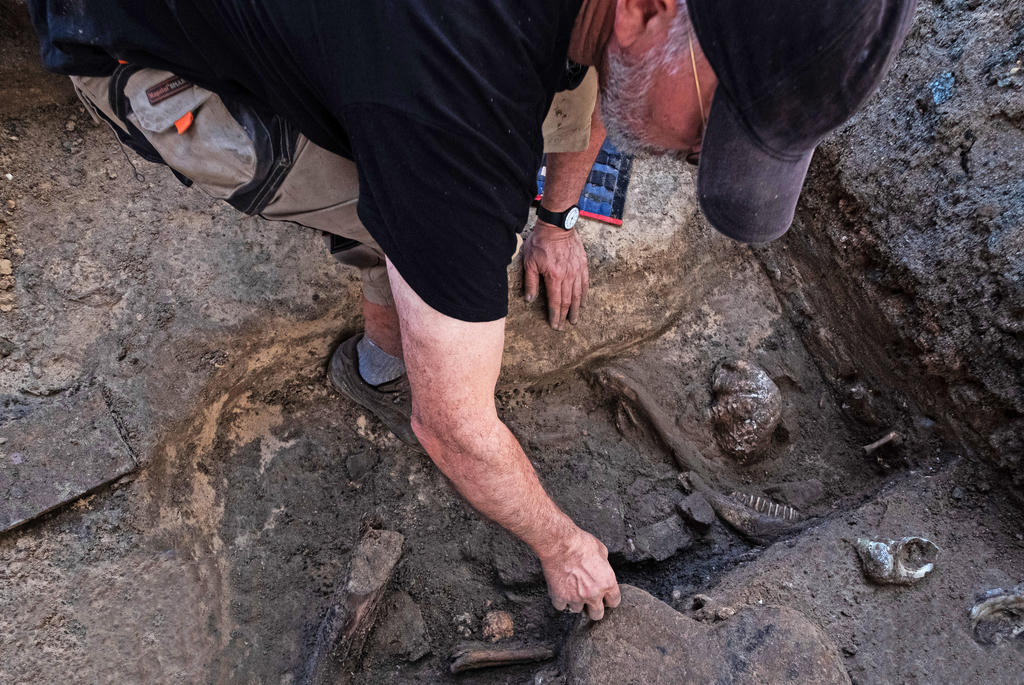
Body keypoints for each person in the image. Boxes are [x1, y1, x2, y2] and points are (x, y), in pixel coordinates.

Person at [27, 0, 916, 620]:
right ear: (650, 7)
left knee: (442, 205)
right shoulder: (454, 117)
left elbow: (608, 75)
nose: (696, 155)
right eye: (713, 120)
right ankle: (377, 361)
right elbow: (452, 426)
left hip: (384, 48)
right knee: (378, 214)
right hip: (132, 39)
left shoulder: (620, 21)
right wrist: (562, 544)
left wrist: (558, 221)